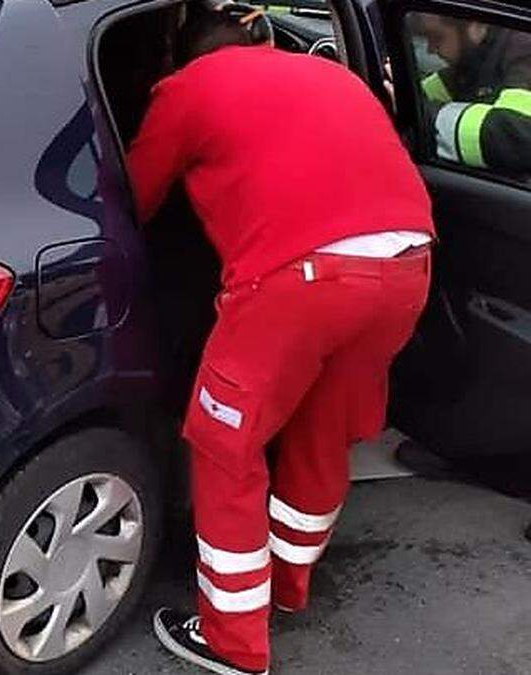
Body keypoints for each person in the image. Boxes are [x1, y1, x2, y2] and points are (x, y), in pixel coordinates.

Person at [125, 3, 435, 674]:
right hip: (408, 267)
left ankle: (234, 641)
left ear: (182, 54)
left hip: (303, 281)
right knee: (322, 429)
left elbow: (132, 201)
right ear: (261, 32)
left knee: (224, 444)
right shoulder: (336, 77)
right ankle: (290, 585)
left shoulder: (186, 90)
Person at [413, 13, 531, 177]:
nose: (430, 49)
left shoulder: (523, 49)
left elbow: (517, 135)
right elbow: (422, 93)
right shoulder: (469, 63)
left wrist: (418, 115)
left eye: (436, 37)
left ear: (474, 25)